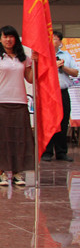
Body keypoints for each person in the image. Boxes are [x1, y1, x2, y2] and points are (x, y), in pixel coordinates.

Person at [0, 26, 34, 187]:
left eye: (11, 36)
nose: (8, 40)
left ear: (16, 39)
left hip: (20, 102)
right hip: (1, 102)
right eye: (5, 37)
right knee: (2, 139)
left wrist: (36, 62)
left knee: (19, 139)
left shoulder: (24, 58)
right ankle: (1, 173)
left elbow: (30, 79)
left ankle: (17, 173)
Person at [43, 31, 77, 162]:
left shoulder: (66, 56)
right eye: (50, 38)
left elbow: (75, 72)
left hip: (62, 93)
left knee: (63, 121)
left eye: (55, 39)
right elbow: (40, 73)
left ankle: (61, 152)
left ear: (60, 42)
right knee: (49, 121)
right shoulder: (43, 55)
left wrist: (63, 67)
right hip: (48, 93)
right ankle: (47, 152)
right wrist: (52, 66)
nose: (52, 41)